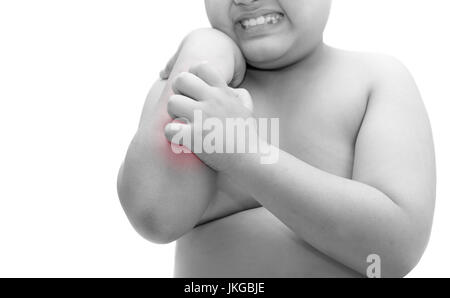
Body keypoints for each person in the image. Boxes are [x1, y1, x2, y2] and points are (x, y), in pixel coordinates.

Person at [117, 0, 436, 278]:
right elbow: (154, 216)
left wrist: (245, 155)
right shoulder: (193, 92)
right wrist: (202, 51)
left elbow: (390, 253)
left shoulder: (374, 80)